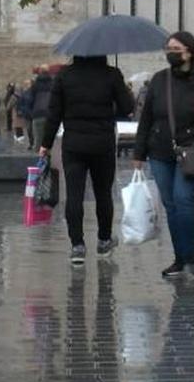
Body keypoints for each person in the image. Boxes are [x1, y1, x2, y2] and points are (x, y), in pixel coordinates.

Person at [133, 31, 194, 277]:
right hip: (160, 152)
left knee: (184, 200)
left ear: (189, 52)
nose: (170, 52)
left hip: (192, 152)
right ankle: (179, 258)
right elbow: (147, 118)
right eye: (168, 48)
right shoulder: (160, 80)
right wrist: (139, 153)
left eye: (175, 48)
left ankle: (191, 256)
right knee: (171, 205)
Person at [40, 56, 134, 265]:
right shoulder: (111, 74)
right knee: (103, 194)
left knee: (74, 194)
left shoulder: (64, 76)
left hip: (74, 144)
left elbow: (54, 113)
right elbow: (127, 108)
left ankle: (77, 246)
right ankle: (103, 240)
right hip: (103, 144)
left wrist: (45, 144)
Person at [30, 65, 53, 152]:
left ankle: (38, 161)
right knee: (49, 140)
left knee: (38, 139)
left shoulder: (35, 84)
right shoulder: (53, 83)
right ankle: (49, 161)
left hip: (37, 114)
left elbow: (30, 99)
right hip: (50, 114)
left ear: (40, 72)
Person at [18, 78, 35, 148]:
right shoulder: (24, 93)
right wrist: (22, 110)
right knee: (29, 130)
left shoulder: (34, 92)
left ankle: (35, 143)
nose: (26, 85)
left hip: (34, 113)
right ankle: (31, 143)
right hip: (27, 114)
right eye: (26, 84)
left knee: (34, 129)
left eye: (28, 84)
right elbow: (21, 103)